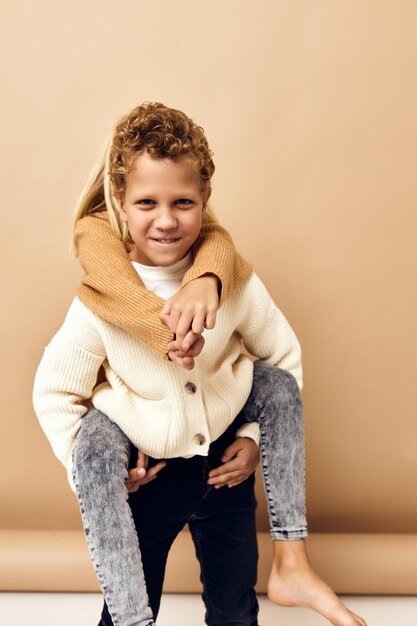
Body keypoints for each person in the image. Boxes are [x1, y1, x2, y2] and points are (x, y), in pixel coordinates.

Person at [33, 102, 366, 626]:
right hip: (152, 473)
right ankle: (130, 621)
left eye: (182, 202)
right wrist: (110, 475)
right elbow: (54, 393)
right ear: (120, 204)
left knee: (234, 607)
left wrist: (254, 439)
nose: (165, 220)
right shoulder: (103, 297)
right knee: (94, 440)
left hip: (223, 473)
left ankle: (292, 562)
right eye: (147, 202)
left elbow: (282, 357)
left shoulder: (232, 281)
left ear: (205, 199)